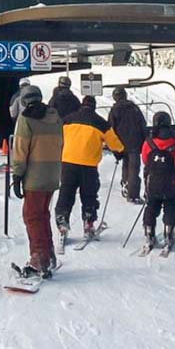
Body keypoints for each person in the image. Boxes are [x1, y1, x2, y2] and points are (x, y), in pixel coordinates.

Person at [55, 94, 125, 241]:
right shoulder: (100, 123)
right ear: (94, 107)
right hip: (88, 165)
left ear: (82, 105)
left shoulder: (67, 120)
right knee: (89, 195)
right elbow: (114, 143)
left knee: (66, 193)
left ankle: (62, 222)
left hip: (68, 162)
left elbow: (57, 136)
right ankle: (88, 223)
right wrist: (120, 152)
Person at [10, 85, 63, 279]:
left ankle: (39, 261)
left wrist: (17, 175)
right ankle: (48, 255)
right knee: (42, 215)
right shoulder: (55, 117)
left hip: (35, 176)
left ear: (24, 101)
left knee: (32, 217)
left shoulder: (26, 119)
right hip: (52, 174)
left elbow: (21, 150)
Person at [141, 111, 175, 252]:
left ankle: (149, 233)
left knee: (151, 206)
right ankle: (168, 233)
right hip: (170, 184)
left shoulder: (148, 142)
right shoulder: (174, 143)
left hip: (153, 183)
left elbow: (144, 160)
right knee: (170, 207)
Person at [108, 87, 147, 203]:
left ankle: (125, 184)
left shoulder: (114, 110)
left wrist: (114, 148)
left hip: (121, 143)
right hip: (135, 143)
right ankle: (133, 194)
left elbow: (111, 129)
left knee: (126, 164)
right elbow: (142, 124)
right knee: (134, 169)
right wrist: (145, 141)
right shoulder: (134, 108)